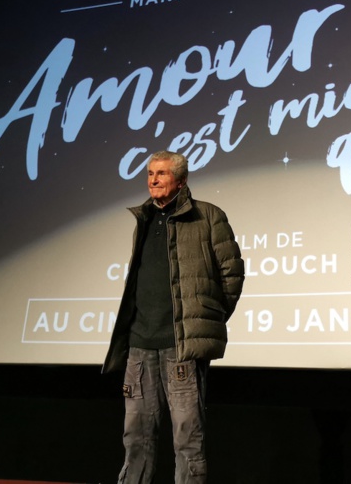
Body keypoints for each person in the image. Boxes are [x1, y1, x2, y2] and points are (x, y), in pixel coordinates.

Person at [103, 150, 245, 484]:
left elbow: (232, 275)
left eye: (161, 174)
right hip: (139, 345)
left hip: (180, 347)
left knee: (187, 438)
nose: (153, 179)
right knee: (136, 437)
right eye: (150, 173)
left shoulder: (207, 216)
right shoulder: (144, 219)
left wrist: (206, 318)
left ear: (180, 180)